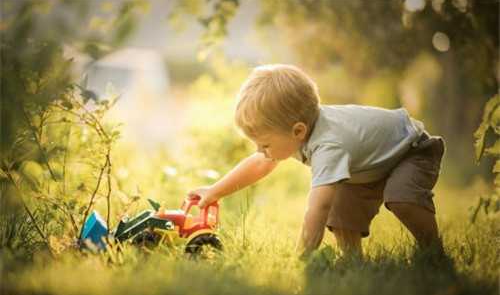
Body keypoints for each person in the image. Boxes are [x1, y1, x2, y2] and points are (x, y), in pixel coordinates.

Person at [188, 64, 445, 257]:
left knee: (400, 196)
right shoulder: (300, 132)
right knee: (343, 208)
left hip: (412, 150)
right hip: (370, 163)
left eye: (264, 144)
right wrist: (214, 192)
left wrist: (303, 255)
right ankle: (352, 261)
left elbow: (318, 206)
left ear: (298, 131)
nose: (260, 150)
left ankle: (432, 252)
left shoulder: (329, 144)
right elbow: (258, 163)